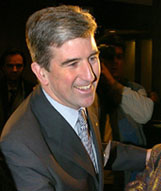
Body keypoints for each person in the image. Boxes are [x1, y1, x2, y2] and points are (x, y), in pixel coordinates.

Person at [0, 5, 150, 191]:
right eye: (72, 64)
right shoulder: (20, 142)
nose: (90, 75)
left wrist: (152, 156)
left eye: (93, 59)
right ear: (41, 73)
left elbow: (90, 151)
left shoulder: (82, 97)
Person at [96, 37, 154, 189]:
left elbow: (145, 114)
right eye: (109, 57)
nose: (115, 62)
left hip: (128, 173)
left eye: (119, 57)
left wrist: (111, 81)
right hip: (99, 173)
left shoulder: (134, 89)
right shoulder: (89, 91)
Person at [0, 49, 35, 132]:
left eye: (18, 66)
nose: (14, 70)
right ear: (3, 67)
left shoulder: (31, 90)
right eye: (10, 66)